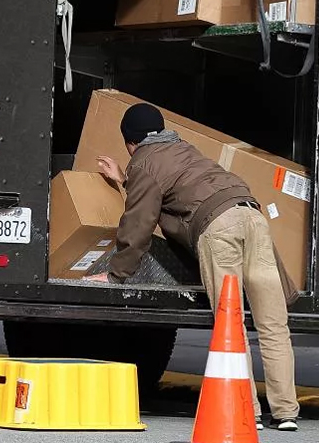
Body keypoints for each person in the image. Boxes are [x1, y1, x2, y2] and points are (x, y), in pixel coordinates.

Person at [90, 102, 300, 432]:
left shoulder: (143, 160)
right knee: (273, 324)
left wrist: (117, 273)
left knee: (232, 325)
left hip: (219, 227)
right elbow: (175, 186)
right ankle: (286, 412)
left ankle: (248, 411)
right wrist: (127, 179)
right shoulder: (183, 148)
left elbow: (140, 222)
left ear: (130, 142)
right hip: (252, 216)